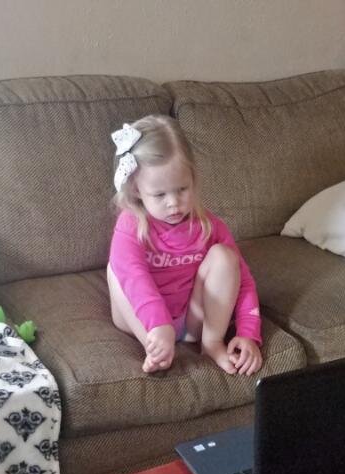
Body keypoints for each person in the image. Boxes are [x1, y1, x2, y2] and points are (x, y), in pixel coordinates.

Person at [106, 115, 263, 376]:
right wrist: (158, 326)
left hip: (192, 320)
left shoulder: (209, 225)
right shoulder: (130, 224)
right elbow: (134, 279)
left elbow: (243, 281)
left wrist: (249, 333)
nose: (173, 203)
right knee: (117, 269)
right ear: (136, 190)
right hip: (141, 322)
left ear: (193, 179)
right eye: (159, 195)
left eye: (182, 189)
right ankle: (156, 349)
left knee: (225, 257)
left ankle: (211, 343)